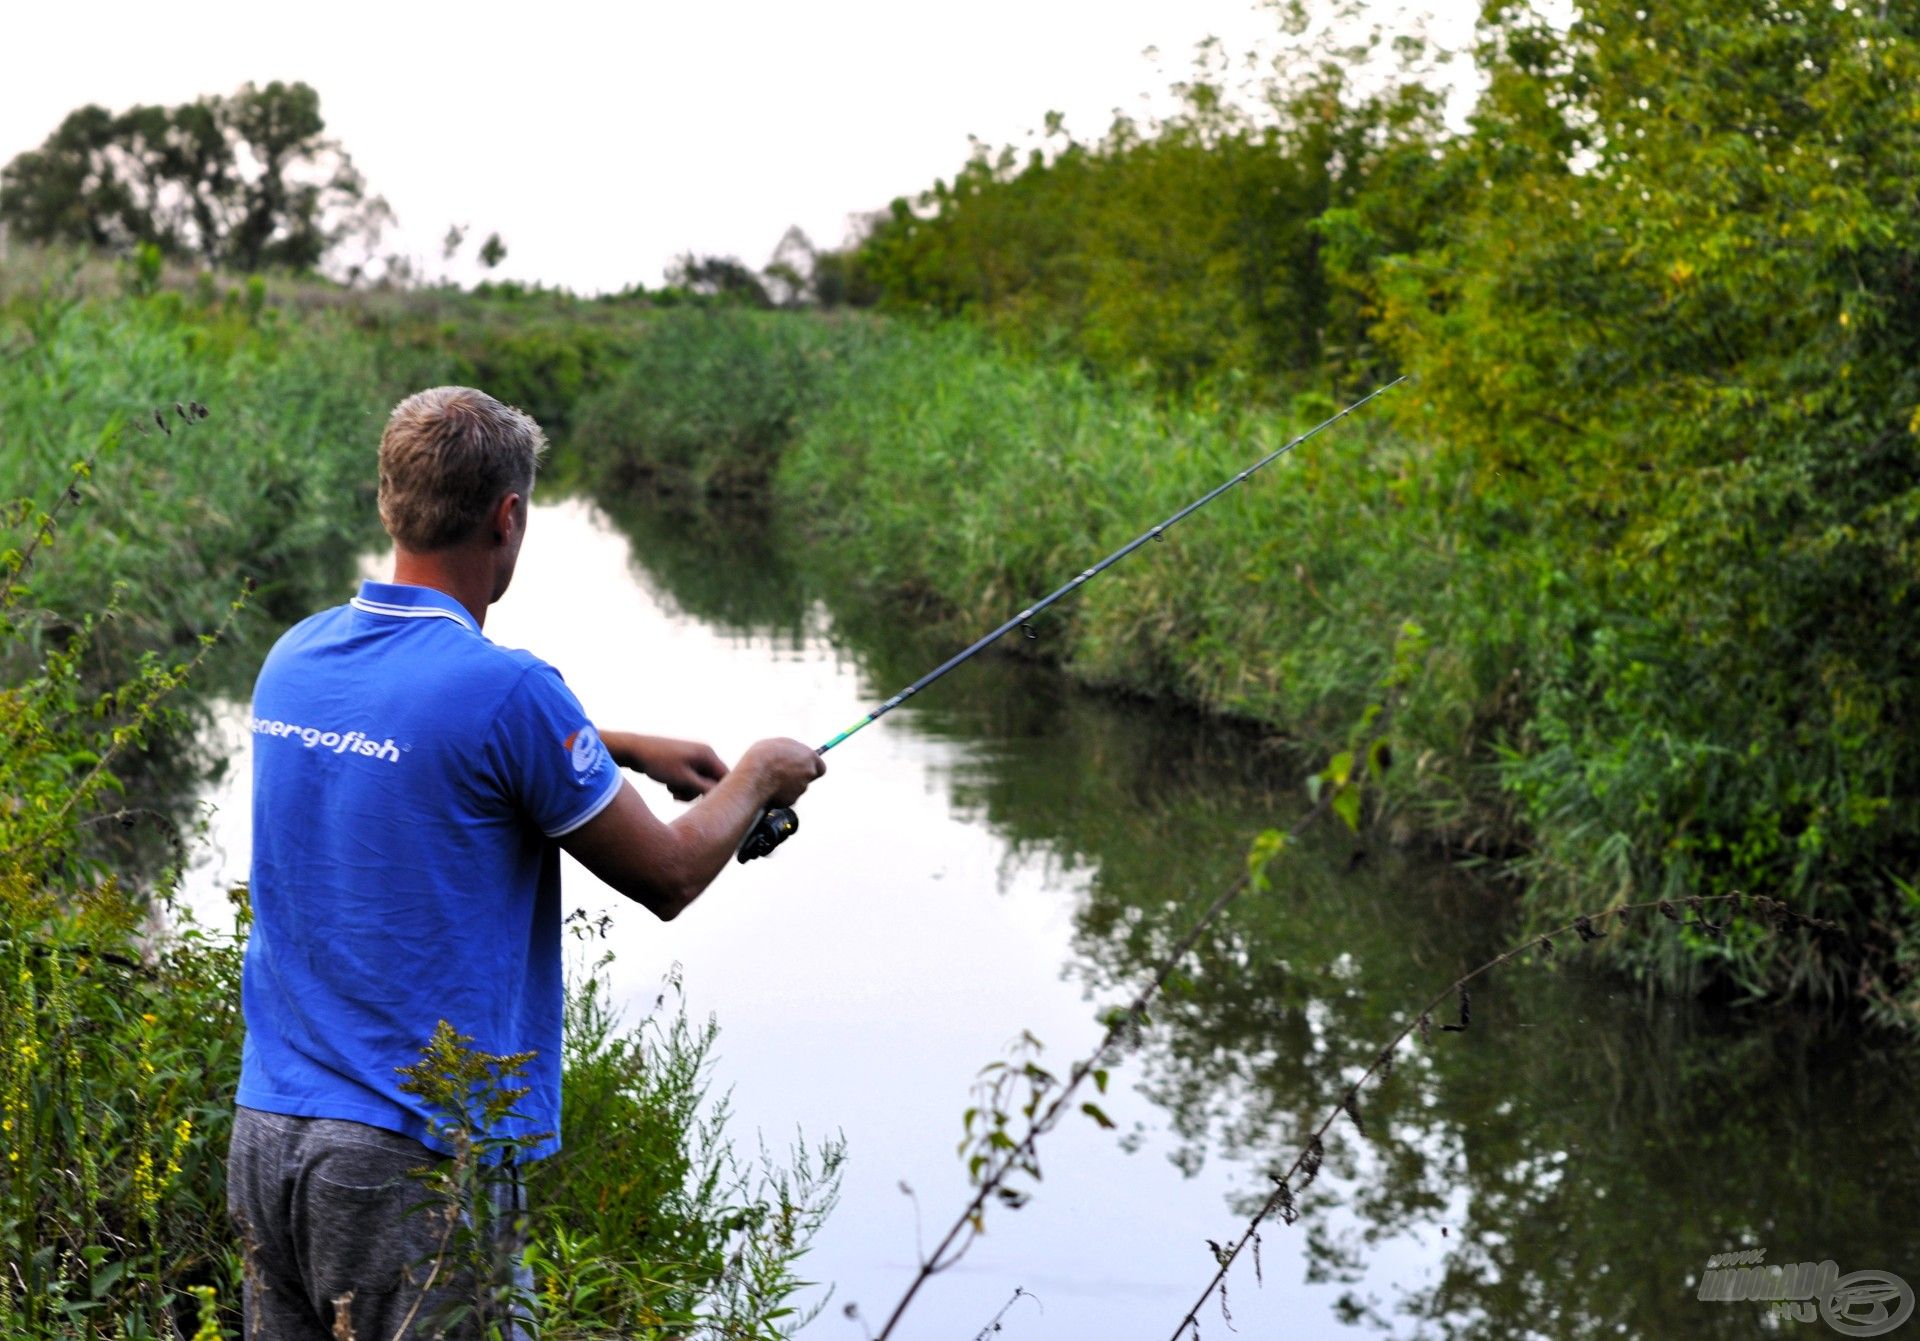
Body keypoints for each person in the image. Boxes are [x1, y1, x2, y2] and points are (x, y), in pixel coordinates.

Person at [224, 386, 825, 1338]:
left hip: (268, 1137)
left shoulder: (296, 657)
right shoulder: (509, 694)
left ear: (389, 502)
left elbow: (429, 733)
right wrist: (758, 774)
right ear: (509, 517)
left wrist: (612, 743)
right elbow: (666, 873)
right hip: (408, 1156)